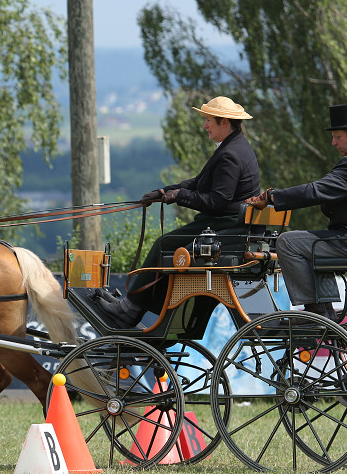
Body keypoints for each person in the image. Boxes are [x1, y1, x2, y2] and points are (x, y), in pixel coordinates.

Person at [94, 96, 260, 328]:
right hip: (230, 223)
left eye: (209, 120)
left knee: (164, 244)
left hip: (227, 226)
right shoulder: (234, 147)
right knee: (168, 245)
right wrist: (164, 192)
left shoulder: (230, 154)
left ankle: (129, 310)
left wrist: (179, 196)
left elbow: (217, 202)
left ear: (225, 122)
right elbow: (199, 182)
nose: (204, 126)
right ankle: (135, 305)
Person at [246, 101, 347, 320]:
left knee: (288, 242)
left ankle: (315, 310)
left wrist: (271, 197)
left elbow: (314, 191)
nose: (333, 143)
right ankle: (326, 311)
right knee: (310, 244)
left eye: (337, 137)